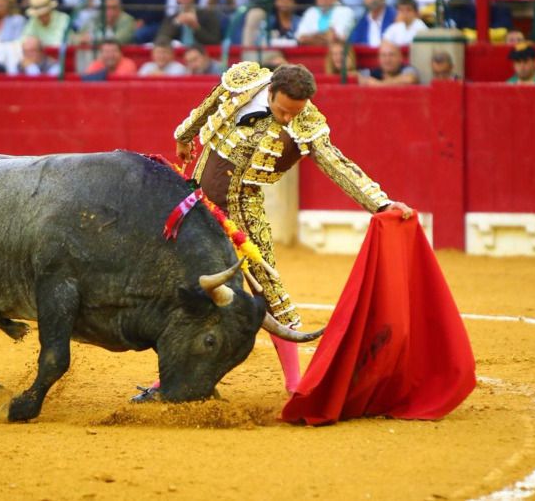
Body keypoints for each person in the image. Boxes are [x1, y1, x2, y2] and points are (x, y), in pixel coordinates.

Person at [141, 61, 411, 399]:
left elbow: (336, 164)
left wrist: (381, 204)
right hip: (196, 205)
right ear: (270, 91)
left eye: (293, 113)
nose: (286, 119)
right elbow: (211, 102)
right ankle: (167, 378)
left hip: (243, 212)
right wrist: (185, 135)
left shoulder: (306, 122)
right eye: (282, 110)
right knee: (185, 290)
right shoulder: (245, 81)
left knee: (268, 290)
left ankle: (295, 383)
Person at [155, 0, 222, 45]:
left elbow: (215, 41)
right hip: (178, 55)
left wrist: (196, 27)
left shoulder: (208, 15)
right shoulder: (171, 18)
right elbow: (162, 38)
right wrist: (177, 22)